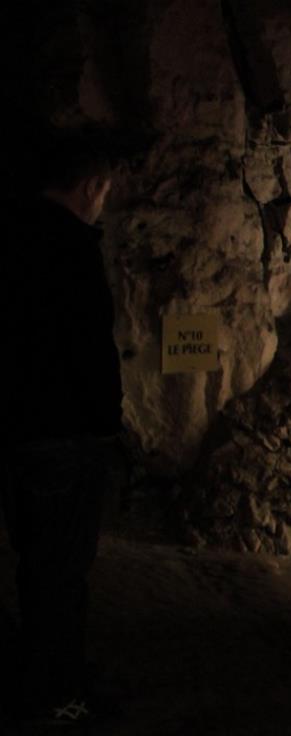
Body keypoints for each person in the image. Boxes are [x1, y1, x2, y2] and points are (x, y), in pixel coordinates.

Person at [1, 131, 123, 725]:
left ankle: (38, 675)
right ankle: (58, 695)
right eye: (104, 192)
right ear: (90, 186)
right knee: (63, 574)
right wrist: (105, 423)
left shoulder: (11, 235)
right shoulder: (71, 249)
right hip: (64, 436)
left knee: (34, 565)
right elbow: (87, 348)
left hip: (20, 432)